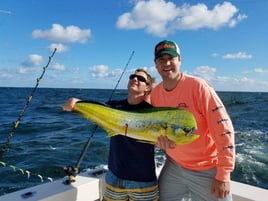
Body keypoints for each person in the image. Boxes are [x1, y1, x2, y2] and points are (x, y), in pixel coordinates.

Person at [151, 40, 235, 201]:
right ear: (156, 64)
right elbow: (157, 130)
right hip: (174, 165)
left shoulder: (199, 87)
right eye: (161, 59)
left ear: (179, 60)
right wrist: (158, 141)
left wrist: (224, 174)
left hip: (207, 168)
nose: (166, 63)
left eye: (171, 58)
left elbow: (224, 129)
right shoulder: (155, 94)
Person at [62, 69, 159, 201]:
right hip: (114, 178)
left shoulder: (153, 113)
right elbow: (94, 109)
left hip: (143, 181)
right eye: (133, 76)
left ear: (147, 87)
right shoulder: (114, 106)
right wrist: (76, 104)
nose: (135, 79)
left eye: (141, 79)